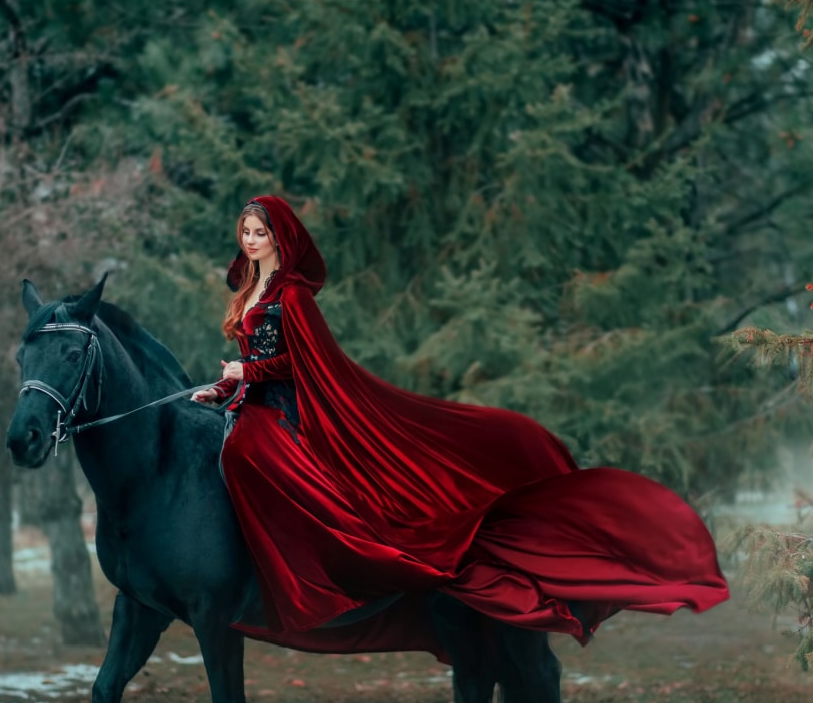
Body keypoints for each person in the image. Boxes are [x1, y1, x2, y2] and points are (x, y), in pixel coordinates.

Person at [191, 195, 729, 642]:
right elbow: (249, 363)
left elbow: (306, 363)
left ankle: (312, 573)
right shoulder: (249, 291)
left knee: (247, 454)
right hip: (251, 402)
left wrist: (249, 373)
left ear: (280, 238)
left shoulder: (292, 296)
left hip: (283, 411)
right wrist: (222, 384)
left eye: (260, 231)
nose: (251, 240)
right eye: (245, 232)